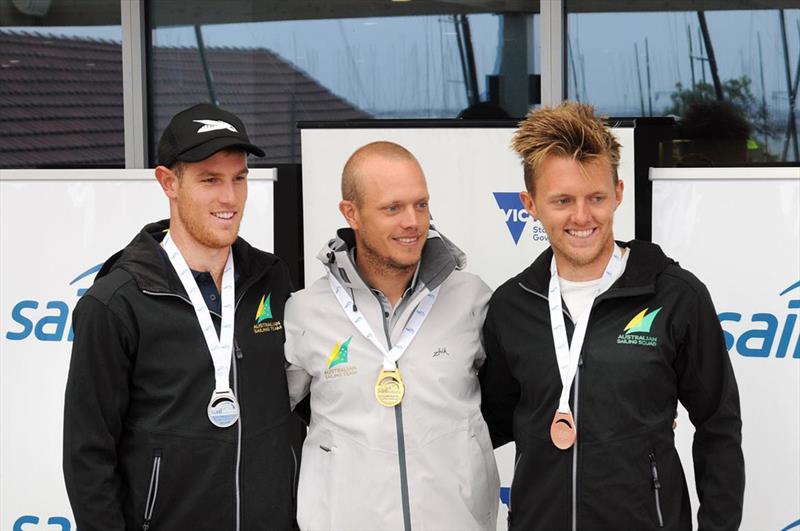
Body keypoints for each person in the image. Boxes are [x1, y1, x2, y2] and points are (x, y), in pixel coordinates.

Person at [479, 102, 744, 531]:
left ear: (618, 193)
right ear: (530, 203)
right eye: (562, 200)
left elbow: (719, 426)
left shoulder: (676, 296)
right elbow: (488, 423)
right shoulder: (513, 305)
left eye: (596, 198)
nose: (582, 217)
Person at [63, 103, 298, 531]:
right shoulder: (116, 303)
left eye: (239, 178)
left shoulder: (272, 278)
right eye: (211, 179)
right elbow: (88, 458)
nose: (230, 197)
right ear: (168, 182)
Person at [284, 141, 499, 530]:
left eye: (421, 204)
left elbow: (503, 403)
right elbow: (274, 423)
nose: (412, 222)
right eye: (392, 208)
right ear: (351, 213)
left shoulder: (471, 298)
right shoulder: (305, 311)